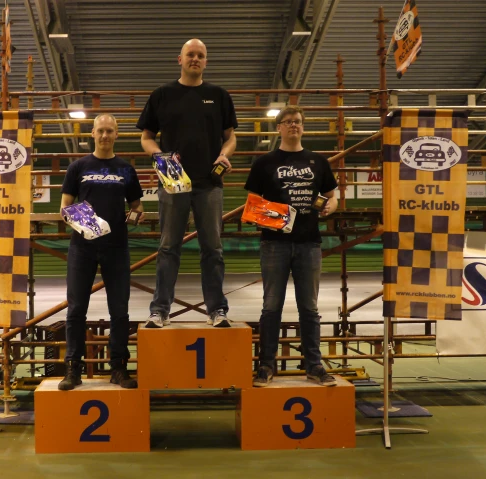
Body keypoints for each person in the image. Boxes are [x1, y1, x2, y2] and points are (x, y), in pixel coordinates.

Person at [137, 38, 238, 329]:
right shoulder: (162, 95)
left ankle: (217, 310)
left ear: (206, 61)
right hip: (173, 183)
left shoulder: (218, 95)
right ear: (179, 59)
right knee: (168, 248)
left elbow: (230, 137)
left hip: (209, 183)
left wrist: (224, 153)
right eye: (190, 55)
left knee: (213, 249)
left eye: (201, 55)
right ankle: (160, 310)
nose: (195, 59)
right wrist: (160, 157)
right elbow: (146, 137)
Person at [244, 106, 339, 387]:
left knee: (309, 308)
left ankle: (314, 366)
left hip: (309, 243)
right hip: (274, 244)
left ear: (303, 127)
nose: (293, 126)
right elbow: (253, 203)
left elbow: (332, 196)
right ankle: (266, 366)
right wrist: (266, 216)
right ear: (279, 129)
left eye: (297, 122)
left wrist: (330, 207)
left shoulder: (318, 161)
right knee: (271, 306)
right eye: (288, 122)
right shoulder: (264, 163)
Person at [58, 113, 144, 391]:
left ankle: (118, 367)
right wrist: (88, 224)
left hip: (116, 248)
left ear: (116, 134)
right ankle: (73, 368)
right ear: (92, 134)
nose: (105, 135)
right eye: (100, 131)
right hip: (82, 248)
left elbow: (137, 206)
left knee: (119, 311)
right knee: (76, 310)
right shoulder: (78, 167)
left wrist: (136, 215)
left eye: (110, 131)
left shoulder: (126, 169)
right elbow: (65, 208)